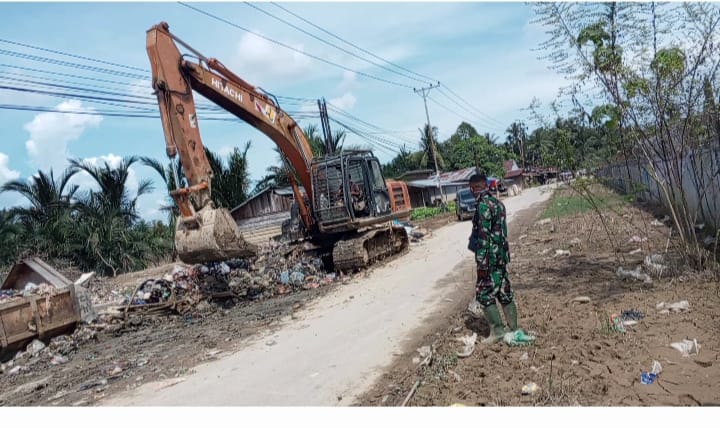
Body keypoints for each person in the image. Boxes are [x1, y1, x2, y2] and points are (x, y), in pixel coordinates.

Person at [467, 172, 521, 345]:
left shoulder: (483, 206)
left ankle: (497, 332)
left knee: (483, 293)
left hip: (489, 259)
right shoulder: (498, 203)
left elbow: (483, 238)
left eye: (473, 189)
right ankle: (513, 328)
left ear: (473, 188)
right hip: (501, 257)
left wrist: (482, 264)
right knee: (504, 291)